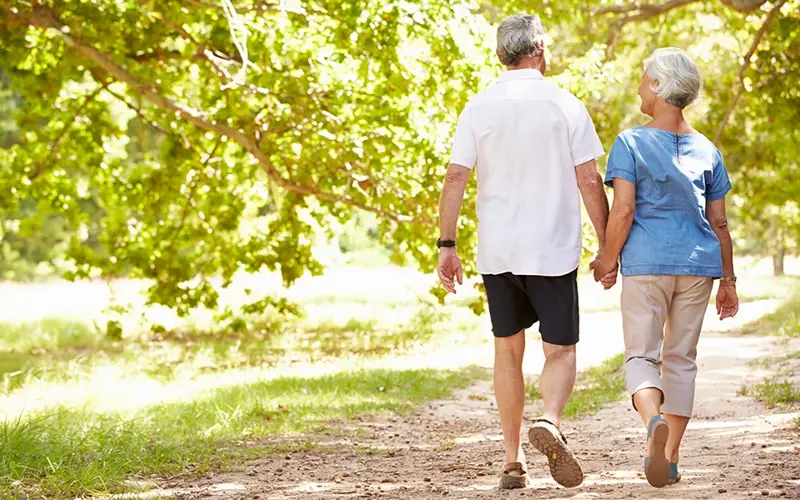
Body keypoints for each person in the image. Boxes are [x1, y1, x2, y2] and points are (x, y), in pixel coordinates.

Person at [437, 13, 610, 490]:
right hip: (551, 249)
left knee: (507, 352)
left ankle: (513, 462)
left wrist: (446, 245)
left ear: (500, 56)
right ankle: (550, 421)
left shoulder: (478, 107)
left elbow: (455, 176)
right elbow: (589, 179)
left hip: (498, 249)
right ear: (539, 52)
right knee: (561, 350)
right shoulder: (565, 104)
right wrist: (608, 244)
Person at [590, 47, 740, 488]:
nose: (638, 86)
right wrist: (728, 281)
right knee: (681, 359)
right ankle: (670, 455)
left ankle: (652, 420)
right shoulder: (708, 149)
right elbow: (720, 222)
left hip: (647, 264)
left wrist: (606, 259)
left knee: (642, 354)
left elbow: (623, 211)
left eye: (642, 79)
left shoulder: (631, 142)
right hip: (698, 267)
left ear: (657, 86)